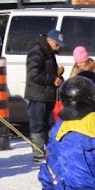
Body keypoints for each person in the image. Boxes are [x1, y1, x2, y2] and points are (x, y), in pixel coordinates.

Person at [25, 29, 65, 162]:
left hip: (47, 95)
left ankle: (48, 150)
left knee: (47, 124)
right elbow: (33, 75)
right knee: (37, 124)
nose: (58, 47)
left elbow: (49, 72)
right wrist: (53, 79)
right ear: (50, 40)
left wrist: (59, 79)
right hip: (38, 95)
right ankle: (38, 153)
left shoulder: (49, 53)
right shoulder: (37, 52)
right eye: (57, 44)